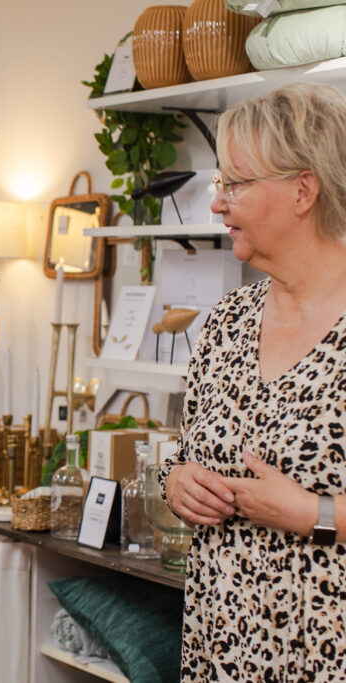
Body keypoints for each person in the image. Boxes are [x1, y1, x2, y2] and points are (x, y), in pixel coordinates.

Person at [160, 82, 346, 680]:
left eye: (234, 184)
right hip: (222, 649)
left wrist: (314, 513)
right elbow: (189, 459)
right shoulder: (224, 323)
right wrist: (179, 483)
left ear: (303, 188)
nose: (218, 205)